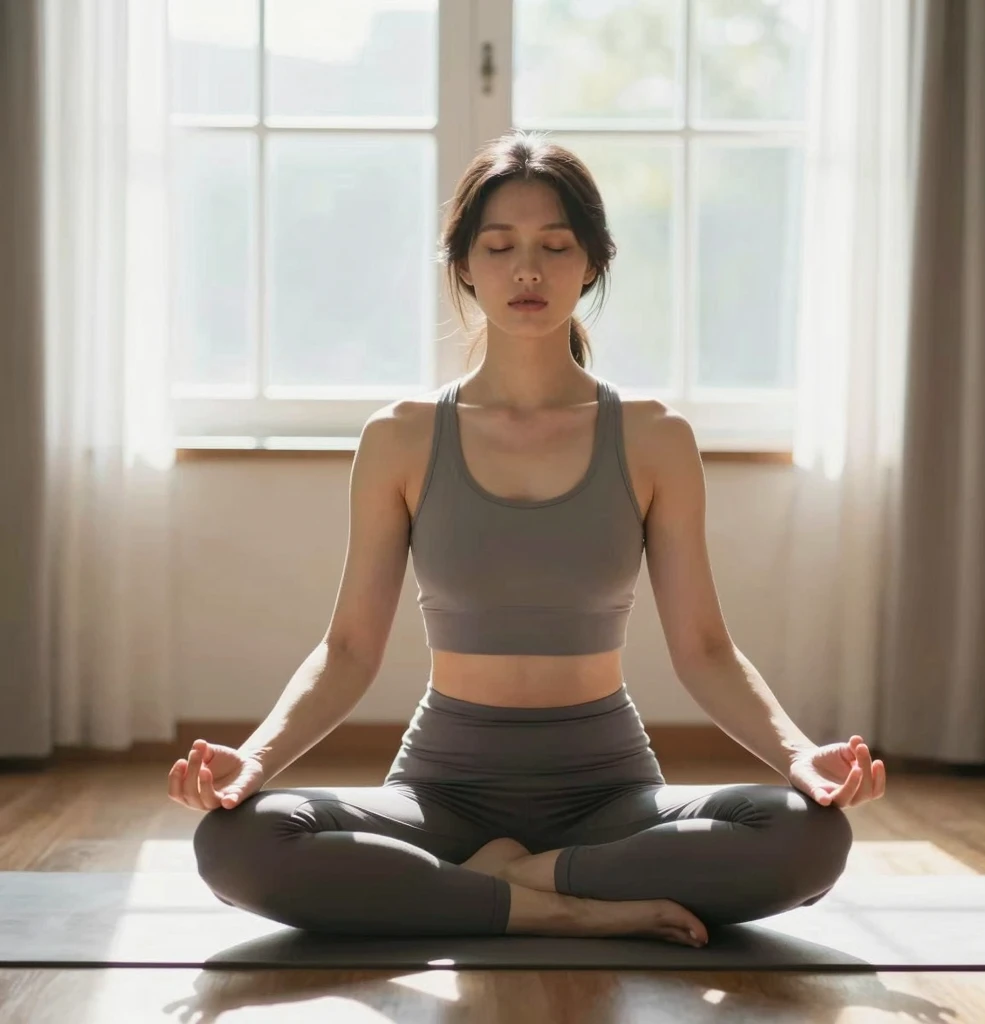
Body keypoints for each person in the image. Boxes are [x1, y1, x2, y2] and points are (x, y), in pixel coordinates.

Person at [169, 129, 879, 947]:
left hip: (609, 793)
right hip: (443, 790)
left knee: (810, 835)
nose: (528, 271)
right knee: (236, 843)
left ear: (594, 263)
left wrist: (799, 758)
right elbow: (349, 649)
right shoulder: (401, 437)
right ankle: (560, 905)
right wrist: (254, 761)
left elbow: (705, 648)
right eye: (499, 246)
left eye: (555, 245)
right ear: (465, 265)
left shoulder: (654, 438)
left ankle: (506, 882)